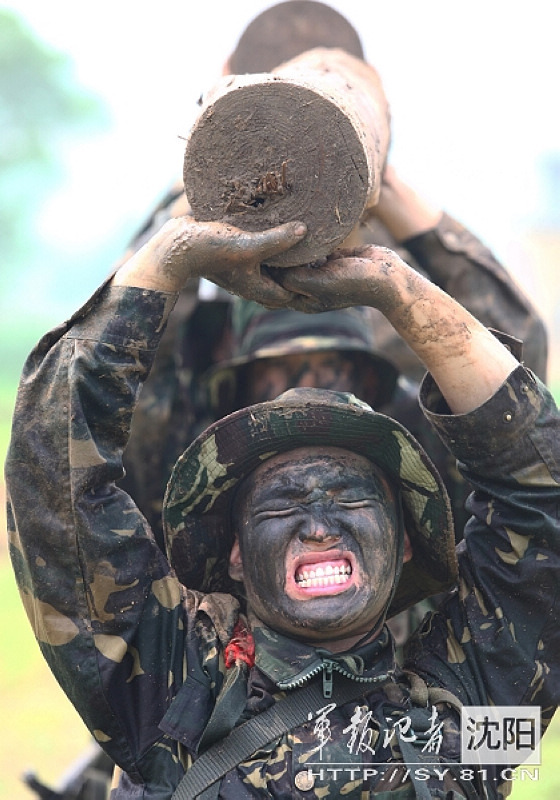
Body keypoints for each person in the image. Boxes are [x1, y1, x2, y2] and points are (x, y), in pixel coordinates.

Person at [6, 211, 559, 799]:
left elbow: (543, 507)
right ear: (237, 552)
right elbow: (53, 484)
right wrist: (163, 258)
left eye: (351, 498)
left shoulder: (467, 718)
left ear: (402, 543)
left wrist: (402, 292)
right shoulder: (174, 699)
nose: (320, 527)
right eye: (279, 508)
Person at [118, 1, 548, 553]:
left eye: (334, 371)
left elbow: (515, 386)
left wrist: (380, 175)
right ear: (236, 391)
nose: (307, 394)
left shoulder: (417, 476)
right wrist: (212, 174)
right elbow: (103, 396)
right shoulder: (196, 500)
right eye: (277, 378)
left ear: (370, 386)